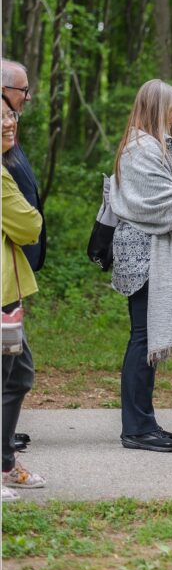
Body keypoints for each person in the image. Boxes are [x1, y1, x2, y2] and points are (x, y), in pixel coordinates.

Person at [109, 80, 172, 452]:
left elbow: (170, 198)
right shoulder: (141, 149)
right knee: (142, 340)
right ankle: (135, 429)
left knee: (144, 339)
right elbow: (163, 202)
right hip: (144, 258)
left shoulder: (148, 146)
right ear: (157, 109)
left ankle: (144, 421)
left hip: (150, 255)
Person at [1, 58, 46, 455]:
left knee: (16, 371)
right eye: (21, 91)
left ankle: (5, 451)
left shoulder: (10, 151)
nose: (25, 100)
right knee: (13, 374)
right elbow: (27, 224)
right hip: (3, 289)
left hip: (12, 281)